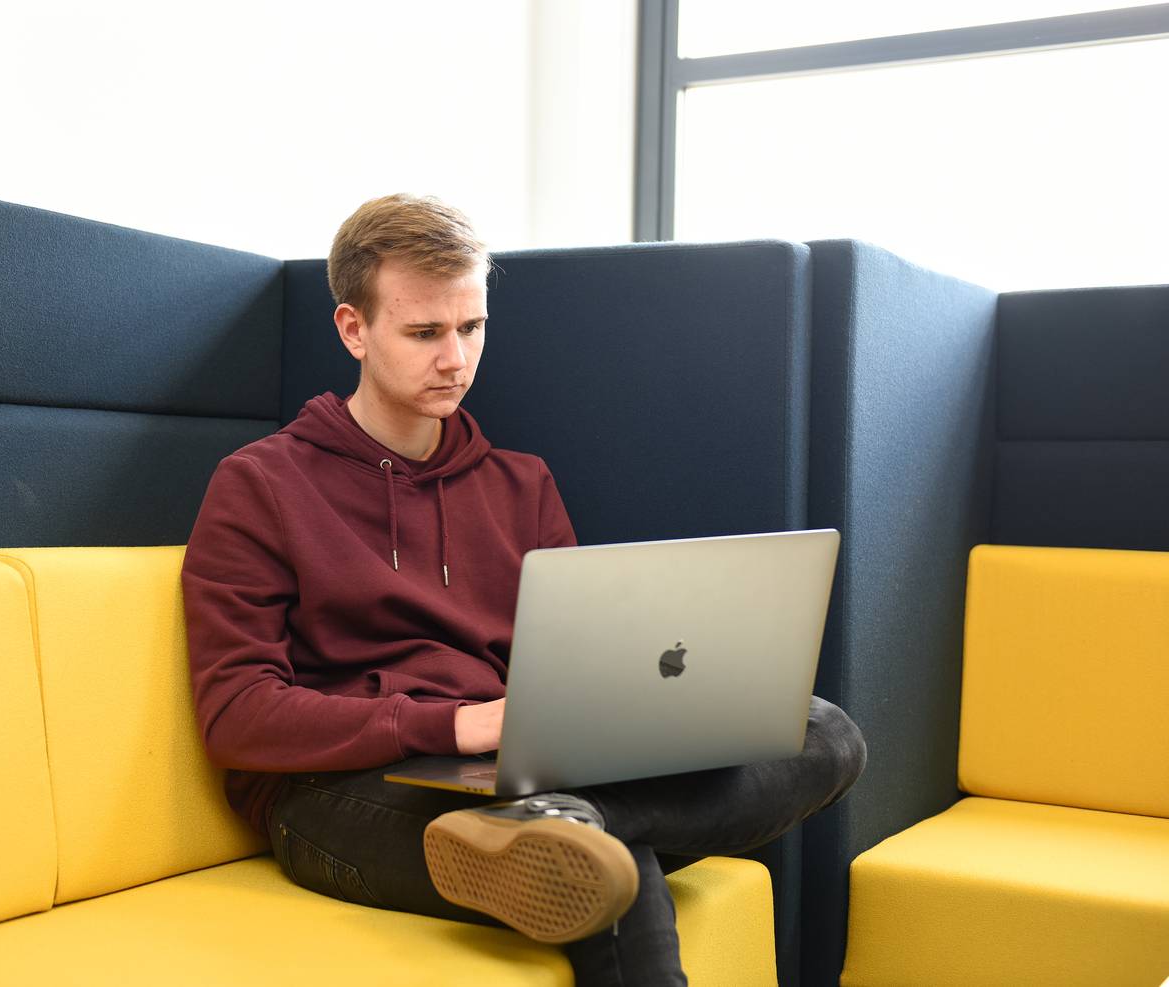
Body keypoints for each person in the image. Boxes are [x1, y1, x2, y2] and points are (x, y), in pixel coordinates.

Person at [181, 194, 866, 985]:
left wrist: (597, 723)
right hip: (335, 794)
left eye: (470, 327)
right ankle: (569, 827)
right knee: (603, 867)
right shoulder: (261, 483)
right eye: (425, 332)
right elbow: (235, 713)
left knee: (823, 731)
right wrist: (456, 723)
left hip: (519, 773)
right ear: (352, 329)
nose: (455, 358)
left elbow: (571, 662)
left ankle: (567, 819)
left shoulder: (520, 484)